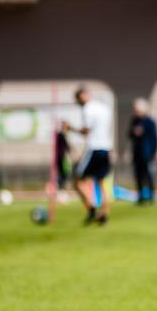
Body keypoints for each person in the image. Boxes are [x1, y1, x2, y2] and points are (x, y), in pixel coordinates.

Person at [63, 86, 113, 225]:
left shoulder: (88, 109)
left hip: (94, 148)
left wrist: (70, 128)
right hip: (106, 147)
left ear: (83, 96)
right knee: (102, 183)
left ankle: (92, 209)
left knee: (78, 181)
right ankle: (105, 213)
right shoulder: (104, 108)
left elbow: (86, 131)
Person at [128, 98, 157, 204]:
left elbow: (155, 139)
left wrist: (154, 153)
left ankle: (151, 196)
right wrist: (134, 132)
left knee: (149, 175)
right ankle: (141, 196)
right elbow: (129, 135)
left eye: (138, 110)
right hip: (137, 153)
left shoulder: (150, 122)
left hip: (148, 153)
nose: (137, 112)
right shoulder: (134, 121)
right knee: (138, 175)